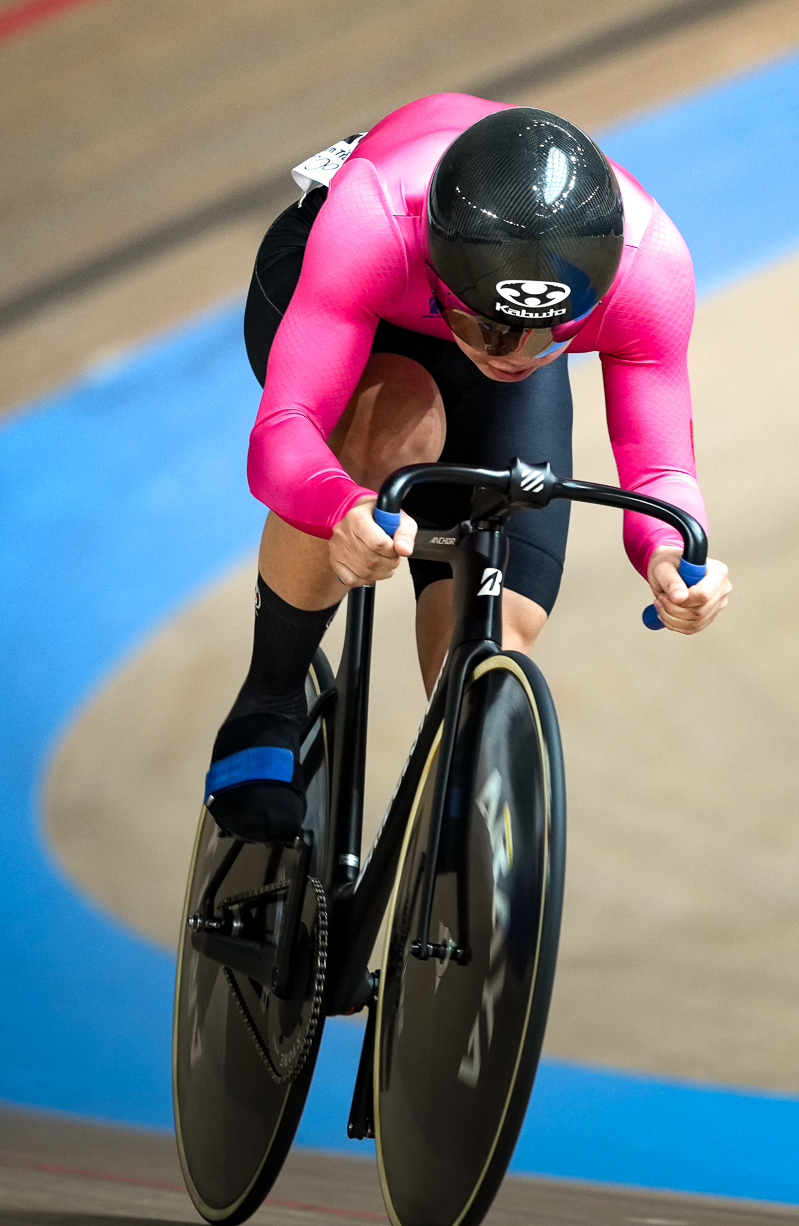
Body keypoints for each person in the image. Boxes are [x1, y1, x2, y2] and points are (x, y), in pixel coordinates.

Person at [207, 94, 732, 842]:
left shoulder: (648, 268)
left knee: (502, 629)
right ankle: (269, 696)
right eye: (488, 330)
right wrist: (340, 508)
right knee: (393, 432)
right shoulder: (376, 219)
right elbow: (284, 436)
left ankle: (452, 811)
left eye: (546, 338)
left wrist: (674, 554)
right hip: (357, 293)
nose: (510, 356)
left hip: (481, 293)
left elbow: (660, 469)